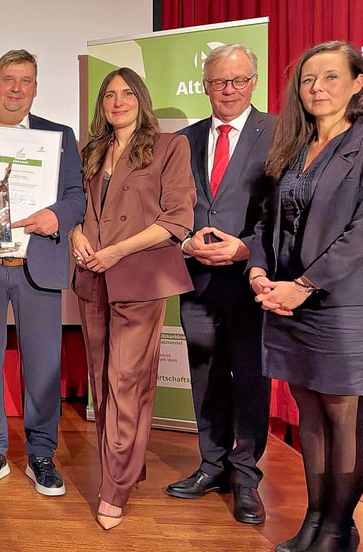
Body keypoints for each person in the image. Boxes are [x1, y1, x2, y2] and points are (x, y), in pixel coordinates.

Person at [0, 48, 85, 496]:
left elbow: (76, 196)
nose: (16, 88)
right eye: (8, 79)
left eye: (25, 80)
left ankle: (41, 453)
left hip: (36, 263)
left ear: (36, 89)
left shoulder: (58, 136)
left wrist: (57, 217)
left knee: (43, 364)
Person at [249, 41, 363, 552]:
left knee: (344, 417)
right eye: (308, 79)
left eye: (331, 77)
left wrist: (306, 285)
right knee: (309, 416)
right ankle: (316, 522)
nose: (316, 88)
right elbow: (266, 223)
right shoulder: (293, 146)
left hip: (342, 304)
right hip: (287, 300)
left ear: (358, 84)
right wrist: (257, 269)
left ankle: (339, 530)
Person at [69, 68, 195, 530]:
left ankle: (114, 487)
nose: (117, 101)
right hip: (91, 281)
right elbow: (77, 209)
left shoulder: (170, 147)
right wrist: (76, 234)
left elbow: (177, 219)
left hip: (139, 279)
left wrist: (117, 251)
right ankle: (128, 466)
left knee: (126, 381)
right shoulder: (90, 151)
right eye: (109, 94)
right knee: (104, 382)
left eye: (126, 93)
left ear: (141, 99)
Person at [164, 44, 274, 525]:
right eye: (218, 82)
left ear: (253, 82)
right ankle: (212, 465)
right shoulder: (183, 140)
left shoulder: (279, 133)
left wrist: (247, 248)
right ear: (205, 85)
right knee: (204, 377)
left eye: (238, 81)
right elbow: (172, 209)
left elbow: (286, 212)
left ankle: (246, 477)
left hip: (254, 280)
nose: (227, 90)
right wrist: (187, 245)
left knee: (250, 378)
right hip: (198, 280)